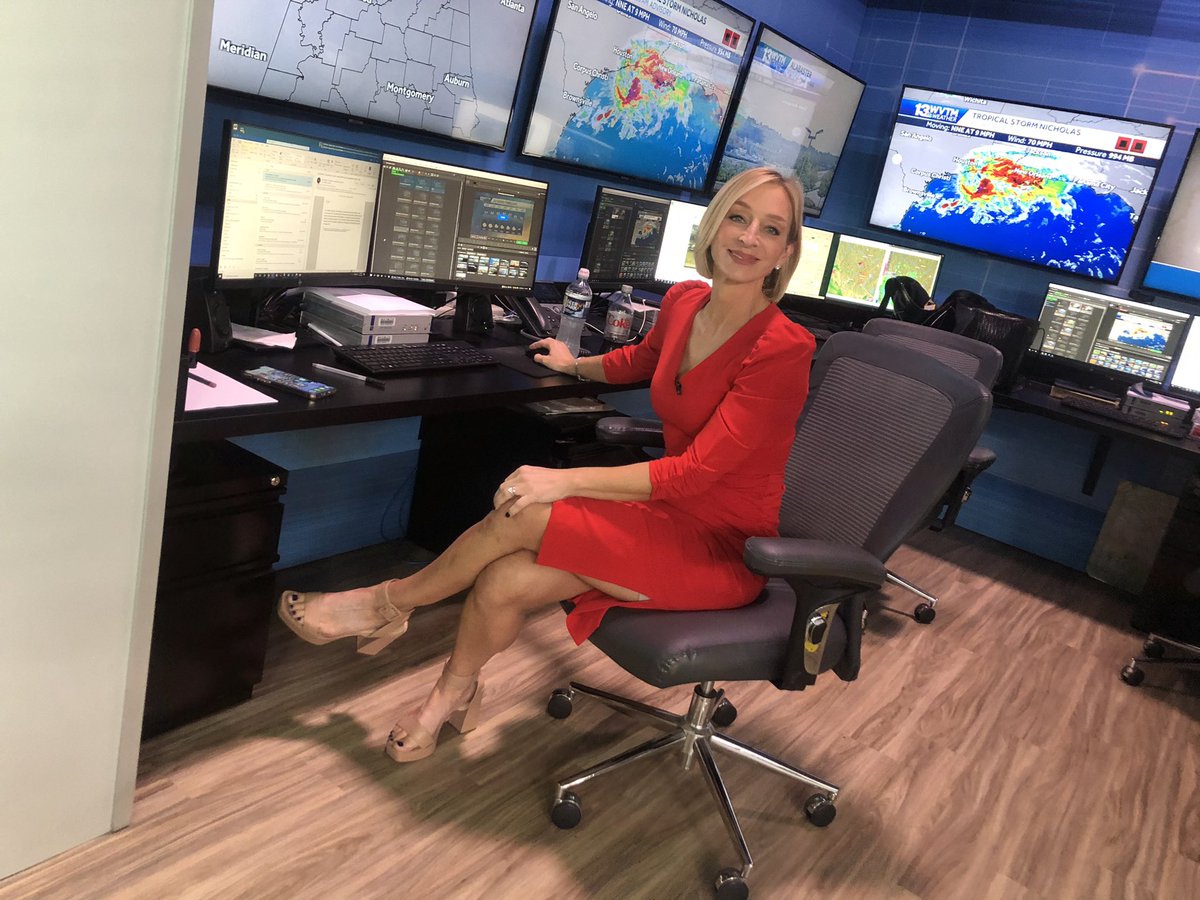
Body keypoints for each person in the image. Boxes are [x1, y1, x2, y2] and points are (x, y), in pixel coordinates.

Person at [278, 167, 817, 763]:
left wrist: (563, 480)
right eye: (738, 217)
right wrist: (573, 365)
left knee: (528, 510)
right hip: (665, 513)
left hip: (723, 544)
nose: (749, 237)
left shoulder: (782, 347)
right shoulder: (686, 301)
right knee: (504, 581)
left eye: (772, 229)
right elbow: (642, 358)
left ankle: (385, 605)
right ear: (715, 224)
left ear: (786, 251)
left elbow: (694, 473)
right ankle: (451, 696)